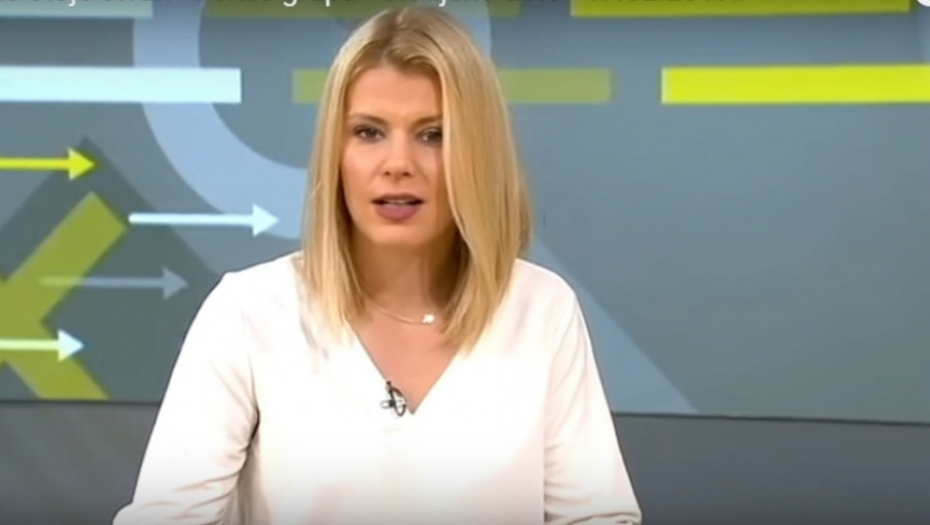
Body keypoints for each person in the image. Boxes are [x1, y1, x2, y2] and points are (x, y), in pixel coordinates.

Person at [112, 5, 642, 525]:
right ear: (335, 151)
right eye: (369, 132)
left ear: (478, 153)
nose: (397, 164)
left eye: (433, 135)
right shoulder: (249, 312)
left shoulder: (541, 310)